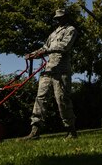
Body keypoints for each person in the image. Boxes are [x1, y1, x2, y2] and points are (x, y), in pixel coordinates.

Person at [22, 8, 78, 140]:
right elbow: (44, 48)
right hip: (48, 70)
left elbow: (65, 46)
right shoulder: (52, 34)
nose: (58, 19)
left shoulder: (71, 30)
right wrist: (33, 54)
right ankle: (35, 131)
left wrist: (45, 52)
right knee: (40, 98)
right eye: (57, 18)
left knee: (62, 100)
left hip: (62, 71)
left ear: (66, 17)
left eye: (61, 17)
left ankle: (71, 131)